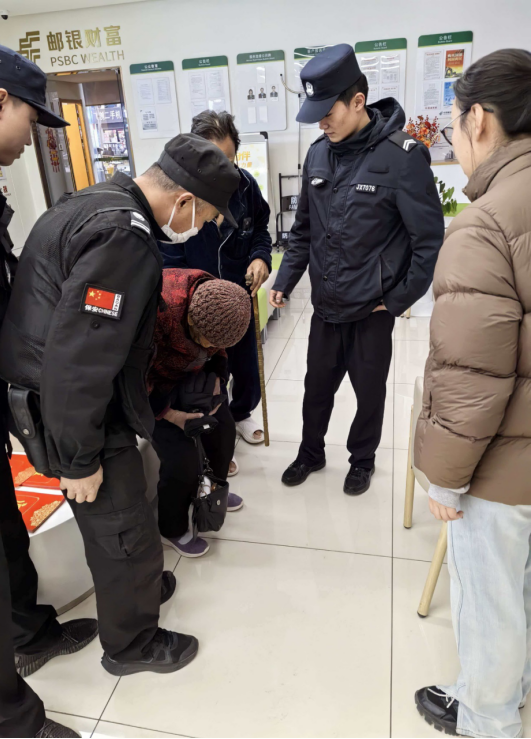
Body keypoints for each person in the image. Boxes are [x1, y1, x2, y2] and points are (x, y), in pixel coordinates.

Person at [0, 133, 240, 679]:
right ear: (184, 200)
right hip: (72, 409)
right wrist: (79, 457)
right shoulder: (124, 237)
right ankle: (132, 644)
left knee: (124, 518)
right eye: (204, 217)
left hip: (61, 400)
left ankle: (140, 590)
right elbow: (81, 358)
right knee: (124, 530)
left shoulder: (94, 201)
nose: (199, 228)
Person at [0, 41, 98, 739]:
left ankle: (32, 631)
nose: (33, 139)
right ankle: (9, 719)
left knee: (5, 531)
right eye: (31, 120)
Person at [413, 49, 531, 739]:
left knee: (492, 600)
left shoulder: (485, 222)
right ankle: (512, 689)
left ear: (478, 119)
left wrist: (445, 479)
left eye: (453, 124)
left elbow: (470, 372)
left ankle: (489, 716)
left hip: (503, 466)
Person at [270, 43, 444, 495]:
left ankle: (362, 461)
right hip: (326, 306)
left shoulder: (403, 157)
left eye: (328, 113)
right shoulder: (317, 155)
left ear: (358, 101)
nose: (321, 124)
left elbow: (428, 241)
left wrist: (397, 299)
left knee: (369, 394)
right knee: (315, 389)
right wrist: (284, 281)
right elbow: (303, 230)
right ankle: (311, 452)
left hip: (372, 309)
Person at [160, 110, 272, 476]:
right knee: (207, 374)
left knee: (246, 363)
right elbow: (170, 265)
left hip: (239, 297)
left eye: (228, 160)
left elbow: (260, 229)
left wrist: (260, 257)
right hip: (196, 310)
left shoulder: (245, 186)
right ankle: (215, 434)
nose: (223, 170)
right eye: (213, 161)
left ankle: (241, 413)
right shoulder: (180, 197)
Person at [148, 269, 252, 557]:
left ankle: (210, 494)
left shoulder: (220, 301)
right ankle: (171, 528)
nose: (208, 346)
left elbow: (218, 350)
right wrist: (170, 415)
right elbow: (132, 376)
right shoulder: (156, 310)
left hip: (193, 377)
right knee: (181, 461)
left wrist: (218, 377)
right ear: (191, 318)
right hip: (152, 387)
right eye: (203, 338)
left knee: (224, 433)